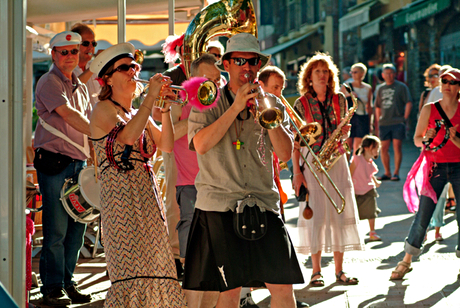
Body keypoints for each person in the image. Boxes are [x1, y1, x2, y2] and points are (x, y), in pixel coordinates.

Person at [183, 33, 305, 308]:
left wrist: (267, 111)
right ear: (226, 64)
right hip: (220, 205)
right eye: (240, 61)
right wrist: (236, 106)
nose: (247, 67)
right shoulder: (207, 100)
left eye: (253, 62)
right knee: (228, 292)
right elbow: (200, 145)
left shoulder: (268, 103)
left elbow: (285, 153)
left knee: (284, 288)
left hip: (262, 203)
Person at [88, 42, 187, 306]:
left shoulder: (135, 112)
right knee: (131, 275)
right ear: (107, 78)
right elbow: (128, 136)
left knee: (157, 270)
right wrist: (150, 99)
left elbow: (166, 144)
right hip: (121, 203)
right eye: (125, 68)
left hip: (147, 199)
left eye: (135, 66)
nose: (133, 71)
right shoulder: (103, 109)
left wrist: (164, 107)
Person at [292, 52, 364, 288]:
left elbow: (344, 129)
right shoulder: (300, 104)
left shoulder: (340, 99)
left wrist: (346, 133)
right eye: (317, 72)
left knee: (339, 215)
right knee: (317, 216)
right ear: (309, 77)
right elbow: (296, 141)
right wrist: (297, 173)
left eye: (326, 71)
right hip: (312, 162)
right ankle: (315, 271)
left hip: (337, 161)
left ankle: (340, 270)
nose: (322, 75)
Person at [33, 31, 92, 306]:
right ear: (54, 54)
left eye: (74, 51)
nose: (70, 56)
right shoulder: (48, 81)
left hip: (76, 165)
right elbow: (70, 115)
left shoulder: (78, 84)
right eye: (64, 51)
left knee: (76, 229)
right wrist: (100, 132)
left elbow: (79, 119)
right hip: (56, 164)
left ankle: (67, 282)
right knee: (56, 230)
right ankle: (52, 288)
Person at [393, 68, 460, 280]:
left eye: (453, 82)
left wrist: (454, 138)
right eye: (444, 81)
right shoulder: (430, 109)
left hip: (459, 166)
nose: (448, 85)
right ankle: (406, 260)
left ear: (459, 86)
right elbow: (416, 139)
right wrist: (426, 138)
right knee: (423, 216)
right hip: (435, 167)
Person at [174, 53, 221, 307]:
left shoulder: (223, 99)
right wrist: (197, 113)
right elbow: (167, 139)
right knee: (192, 251)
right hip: (189, 182)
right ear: (192, 78)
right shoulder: (179, 102)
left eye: (217, 79)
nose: (213, 84)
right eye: (206, 79)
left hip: (218, 182)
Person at [374, 63, 412, 181]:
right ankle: (387, 172)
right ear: (383, 75)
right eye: (387, 73)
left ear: (395, 74)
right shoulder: (380, 88)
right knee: (384, 148)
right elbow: (378, 106)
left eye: (391, 73)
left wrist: (404, 118)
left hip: (397, 121)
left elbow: (408, 102)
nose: (389, 75)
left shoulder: (401, 87)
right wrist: (377, 122)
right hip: (384, 122)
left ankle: (396, 173)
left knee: (397, 146)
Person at [350, 135, 382, 241]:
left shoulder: (371, 162)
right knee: (354, 213)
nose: (377, 150)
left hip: (369, 189)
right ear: (367, 148)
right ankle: (353, 234)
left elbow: (370, 174)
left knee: (371, 211)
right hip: (356, 190)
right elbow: (350, 173)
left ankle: (372, 232)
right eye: (375, 147)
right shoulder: (357, 159)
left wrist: (376, 182)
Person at [340, 63, 373, 155]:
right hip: (349, 118)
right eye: (352, 72)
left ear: (362, 73)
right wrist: (348, 95)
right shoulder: (346, 86)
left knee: (358, 146)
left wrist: (370, 123)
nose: (353, 74)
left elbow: (369, 106)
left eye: (355, 72)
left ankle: (355, 167)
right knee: (347, 145)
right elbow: (339, 101)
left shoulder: (368, 88)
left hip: (362, 118)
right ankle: (347, 168)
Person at [71, 23, 101, 108]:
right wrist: (97, 62)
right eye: (86, 43)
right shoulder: (67, 68)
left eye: (93, 43)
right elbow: (74, 89)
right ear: (75, 45)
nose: (90, 47)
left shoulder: (94, 65)